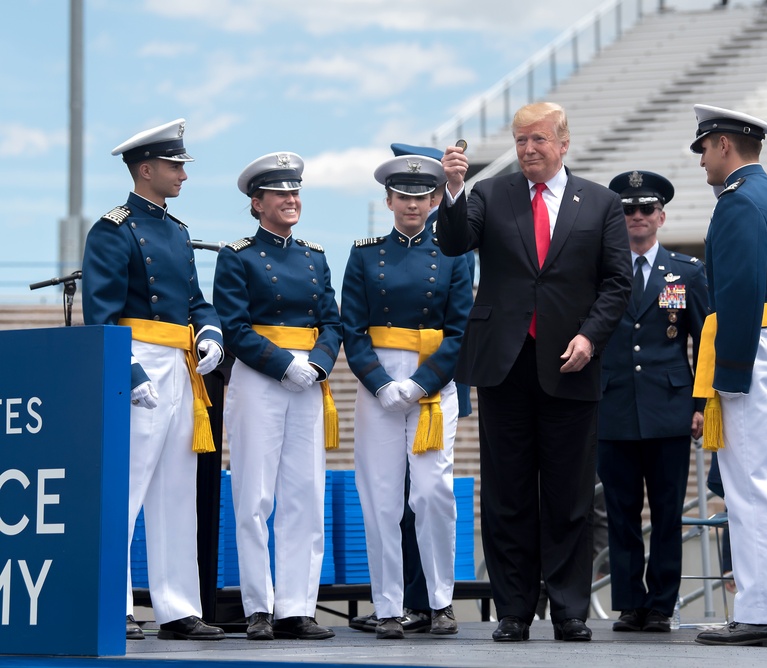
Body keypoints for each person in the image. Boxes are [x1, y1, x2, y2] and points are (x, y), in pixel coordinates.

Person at [437, 101, 632, 643]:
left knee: (570, 495)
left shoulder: (601, 203)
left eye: (538, 140)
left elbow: (617, 283)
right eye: (521, 141)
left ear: (563, 143)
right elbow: (454, 243)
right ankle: (514, 610)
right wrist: (451, 192)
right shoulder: (488, 193)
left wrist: (590, 337)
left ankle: (569, 608)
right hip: (505, 364)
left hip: (572, 364)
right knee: (508, 494)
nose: (527, 150)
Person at [82, 118, 226, 641]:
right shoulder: (113, 228)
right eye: (174, 165)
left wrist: (210, 333)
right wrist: (131, 371)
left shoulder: (178, 231)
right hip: (138, 361)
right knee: (126, 487)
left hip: (181, 365)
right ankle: (112, 603)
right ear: (146, 169)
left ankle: (178, 608)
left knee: (175, 490)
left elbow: (195, 302)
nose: (182, 174)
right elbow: (101, 310)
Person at [687, 104, 767, 647]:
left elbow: (736, 293)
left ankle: (762, 610)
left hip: (753, 350)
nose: (703, 163)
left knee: (752, 487)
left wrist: (729, 374)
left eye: (704, 150)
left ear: (723, 145)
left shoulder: (736, 204)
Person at [341, 153, 473, 640]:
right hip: (379, 382)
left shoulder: (457, 253)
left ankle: (440, 601)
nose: (412, 204)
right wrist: (381, 383)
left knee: (432, 492)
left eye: (422, 197)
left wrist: (420, 384)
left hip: (432, 385)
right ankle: (389, 605)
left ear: (436, 199)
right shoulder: (364, 252)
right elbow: (351, 329)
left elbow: (459, 332)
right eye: (403, 197)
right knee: (380, 499)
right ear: (389, 200)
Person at [212, 152, 341, 641]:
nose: (292, 199)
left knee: (304, 496)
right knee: (254, 496)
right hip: (261, 379)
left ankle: (296, 607)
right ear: (256, 202)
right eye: (281, 193)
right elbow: (235, 326)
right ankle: (258, 607)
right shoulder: (238, 255)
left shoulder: (314, 256)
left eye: (296, 191)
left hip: (308, 378)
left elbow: (333, 321)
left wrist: (318, 363)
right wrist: (283, 364)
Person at [598, 170, 708, 633]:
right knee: (621, 513)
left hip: (669, 407)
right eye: (627, 210)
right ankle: (629, 602)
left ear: (661, 216)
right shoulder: (599, 272)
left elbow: (705, 341)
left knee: (666, 512)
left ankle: (661, 603)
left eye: (646, 209)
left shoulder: (686, 272)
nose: (637, 217)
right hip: (614, 406)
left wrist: (702, 403)